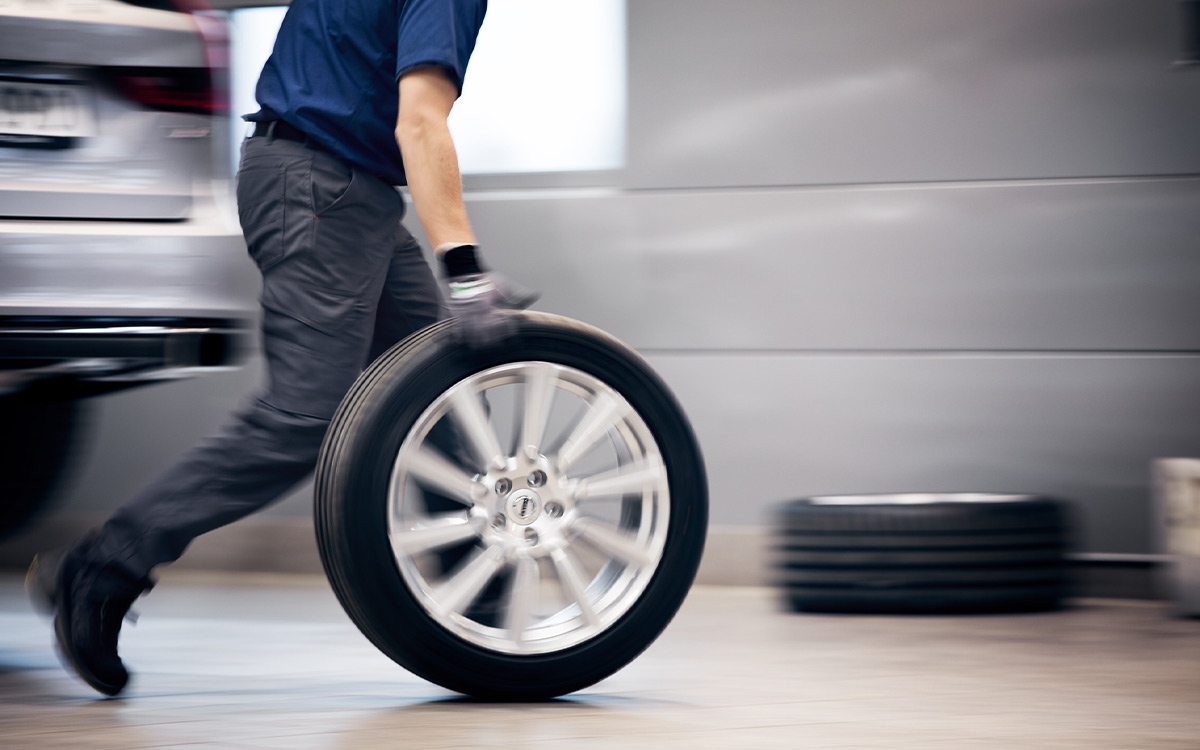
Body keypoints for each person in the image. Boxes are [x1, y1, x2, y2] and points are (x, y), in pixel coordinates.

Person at [27, 0, 533, 697]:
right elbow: (420, 120)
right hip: (322, 187)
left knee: (434, 392)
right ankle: (104, 564)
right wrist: (464, 266)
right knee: (302, 417)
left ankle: (480, 611)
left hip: (338, 188)